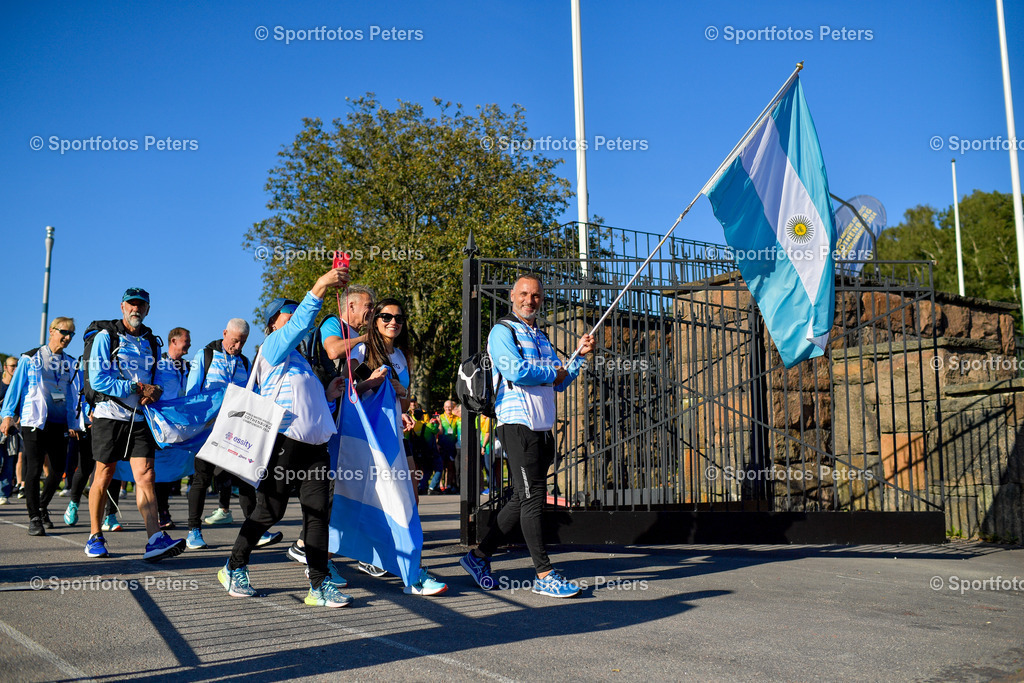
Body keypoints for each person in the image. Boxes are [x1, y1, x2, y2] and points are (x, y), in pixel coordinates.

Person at [218, 266, 353, 608]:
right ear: (274, 323)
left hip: (315, 446)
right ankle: (233, 566)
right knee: (270, 511)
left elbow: (306, 400)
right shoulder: (272, 347)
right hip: (284, 442)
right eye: (287, 314)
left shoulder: (302, 361)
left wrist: (329, 393)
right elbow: (301, 324)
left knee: (317, 514)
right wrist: (321, 284)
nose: (295, 319)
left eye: (295, 313)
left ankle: (319, 585)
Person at [460, 274, 594, 598]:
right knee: (533, 498)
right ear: (512, 295)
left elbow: (558, 382)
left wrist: (579, 357)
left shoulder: (541, 336)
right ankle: (544, 573)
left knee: (523, 498)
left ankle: (477, 557)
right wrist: (555, 372)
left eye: (535, 295)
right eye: (524, 294)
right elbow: (516, 370)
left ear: (541, 299)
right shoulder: (502, 332)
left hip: (542, 427)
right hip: (516, 425)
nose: (529, 300)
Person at [348, 298, 447, 596]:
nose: (393, 322)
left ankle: (409, 569)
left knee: (409, 500)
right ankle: (320, 563)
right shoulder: (362, 350)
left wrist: (403, 399)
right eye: (386, 316)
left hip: (395, 437)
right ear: (374, 320)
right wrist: (371, 383)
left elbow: (400, 400)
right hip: (366, 438)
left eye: (399, 318)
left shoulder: (402, 356)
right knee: (355, 503)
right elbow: (347, 390)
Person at [82, 288, 185, 561]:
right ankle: (95, 536)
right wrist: (137, 386)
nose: (135, 309)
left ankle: (154, 538)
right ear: (122, 307)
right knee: (104, 473)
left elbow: (158, 376)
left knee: (146, 475)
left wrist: (157, 390)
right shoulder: (107, 337)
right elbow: (99, 380)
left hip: (140, 417)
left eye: (141, 305)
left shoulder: (153, 341)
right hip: (109, 414)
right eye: (131, 304)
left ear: (148, 309)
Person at [287, 284, 374, 573]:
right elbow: (333, 348)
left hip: (338, 416)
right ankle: (311, 550)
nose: (371, 313)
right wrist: (365, 337)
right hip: (318, 414)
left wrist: (373, 381)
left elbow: (350, 380)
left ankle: (310, 547)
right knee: (325, 485)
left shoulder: (359, 340)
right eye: (368, 307)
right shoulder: (333, 323)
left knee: (336, 485)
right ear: (350, 307)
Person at [183, 318, 281, 550]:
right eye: (234, 341)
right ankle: (193, 531)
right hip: (208, 430)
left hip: (235, 431)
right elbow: (191, 393)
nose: (237, 346)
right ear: (225, 332)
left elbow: (253, 395)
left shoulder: (246, 363)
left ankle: (255, 531)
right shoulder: (204, 356)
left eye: (242, 342)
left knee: (245, 479)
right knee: (202, 479)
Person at [1, 317, 79, 534]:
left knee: (58, 470)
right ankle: (34, 517)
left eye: (71, 334)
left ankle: (43, 505)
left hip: (59, 422)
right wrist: (7, 415)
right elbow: (15, 388)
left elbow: (72, 396)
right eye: (64, 332)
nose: (67, 337)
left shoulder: (70, 362)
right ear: (51, 331)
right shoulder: (30, 357)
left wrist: (74, 422)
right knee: (34, 469)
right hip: (33, 421)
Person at [156, 326, 191, 530]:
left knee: (174, 469)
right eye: (186, 340)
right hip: (162, 423)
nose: (189, 344)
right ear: (174, 341)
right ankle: (162, 512)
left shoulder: (187, 366)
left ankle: (163, 510)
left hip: (182, 424)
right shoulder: (158, 363)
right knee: (160, 470)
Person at [0, 356, 20, 505]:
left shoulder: (18, 386)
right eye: (12, 366)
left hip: (12, 429)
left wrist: (17, 421)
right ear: (5, 367)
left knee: (8, 460)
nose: (15, 368)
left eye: (17, 366)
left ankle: (4, 494)